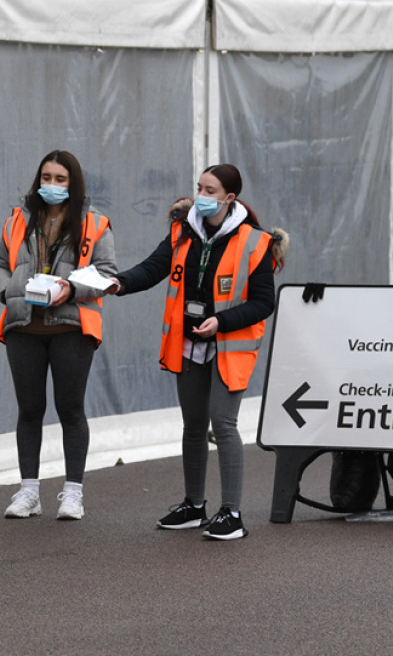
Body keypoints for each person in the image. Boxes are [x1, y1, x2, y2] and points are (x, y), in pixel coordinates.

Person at [110, 164, 286, 541]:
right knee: (192, 425)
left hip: (228, 345)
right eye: (199, 188)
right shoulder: (182, 231)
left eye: (210, 190)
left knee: (223, 424)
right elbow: (153, 268)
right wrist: (119, 283)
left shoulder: (255, 242)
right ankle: (194, 505)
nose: (202, 196)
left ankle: (232, 513)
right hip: (189, 342)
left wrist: (221, 322)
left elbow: (263, 303)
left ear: (230, 198)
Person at [0, 150, 117, 521]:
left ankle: (73, 492)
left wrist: (70, 289)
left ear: (73, 184)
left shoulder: (95, 223)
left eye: (61, 180)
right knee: (29, 410)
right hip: (23, 327)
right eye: (46, 178)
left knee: (70, 409)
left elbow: (107, 273)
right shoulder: (17, 220)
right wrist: (7, 291)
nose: (52, 185)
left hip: (71, 328)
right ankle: (28, 491)